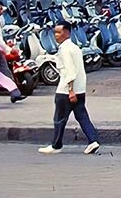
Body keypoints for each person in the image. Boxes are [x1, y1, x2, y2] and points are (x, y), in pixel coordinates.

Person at [39, 20, 100, 155]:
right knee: (82, 116)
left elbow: (70, 71)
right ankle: (93, 140)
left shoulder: (65, 49)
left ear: (67, 32)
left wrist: (70, 90)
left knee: (59, 119)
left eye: (59, 32)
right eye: (55, 32)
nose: (56, 35)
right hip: (80, 89)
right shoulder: (75, 47)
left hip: (66, 90)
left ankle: (56, 145)